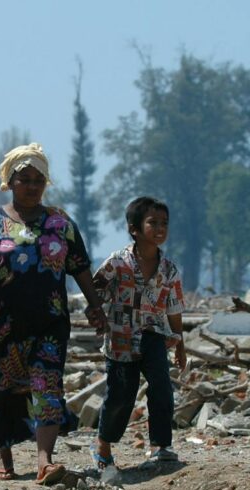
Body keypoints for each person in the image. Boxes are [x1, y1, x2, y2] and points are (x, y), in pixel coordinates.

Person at [0, 143, 107, 484]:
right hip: (3, 324)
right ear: (10, 181)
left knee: (47, 386)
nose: (33, 186)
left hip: (49, 323)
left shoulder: (60, 222)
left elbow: (79, 268)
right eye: (25, 179)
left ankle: (44, 461)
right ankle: (5, 458)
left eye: (39, 179)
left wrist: (96, 306)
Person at [91, 196, 187, 469]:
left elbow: (174, 309)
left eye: (164, 223)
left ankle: (161, 445)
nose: (160, 229)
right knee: (121, 394)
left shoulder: (169, 270)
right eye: (152, 222)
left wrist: (180, 344)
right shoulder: (117, 262)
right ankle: (104, 443)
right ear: (134, 228)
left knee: (161, 387)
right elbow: (96, 293)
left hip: (154, 335)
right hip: (121, 338)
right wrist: (96, 315)